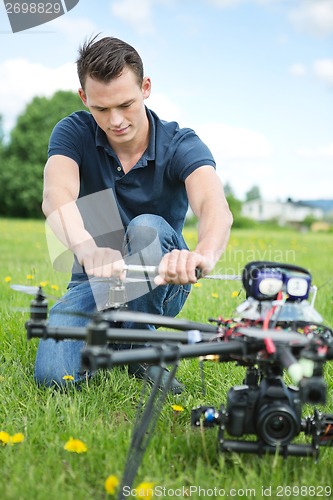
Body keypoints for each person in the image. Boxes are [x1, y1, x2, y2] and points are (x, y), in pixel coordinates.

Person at [34, 35, 233, 393]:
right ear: (84, 98)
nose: (115, 121)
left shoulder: (180, 143)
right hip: (95, 280)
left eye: (126, 104)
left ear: (146, 87)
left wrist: (204, 253)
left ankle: (128, 337)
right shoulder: (73, 132)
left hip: (158, 283)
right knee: (53, 378)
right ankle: (134, 346)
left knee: (147, 228)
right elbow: (56, 195)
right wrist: (88, 249)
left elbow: (213, 205)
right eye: (101, 109)